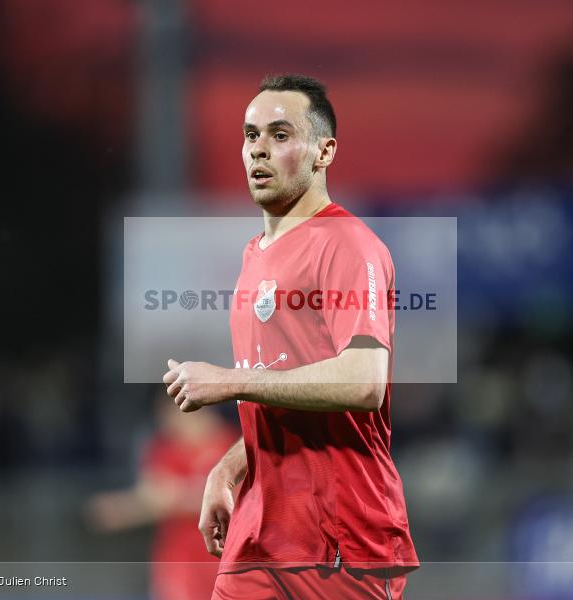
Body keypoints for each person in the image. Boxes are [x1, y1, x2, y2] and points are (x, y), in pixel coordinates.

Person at [162, 74, 418, 599]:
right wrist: (231, 467)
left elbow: (364, 381)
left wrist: (228, 382)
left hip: (340, 536)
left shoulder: (347, 244)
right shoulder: (255, 253)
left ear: (324, 151)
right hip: (261, 533)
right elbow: (281, 385)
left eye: (280, 135)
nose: (259, 149)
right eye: (251, 135)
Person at [86, 396, 238, 600]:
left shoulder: (235, 445)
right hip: (179, 562)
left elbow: (238, 499)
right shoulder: (164, 448)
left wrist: (128, 508)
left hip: (226, 559)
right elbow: (154, 496)